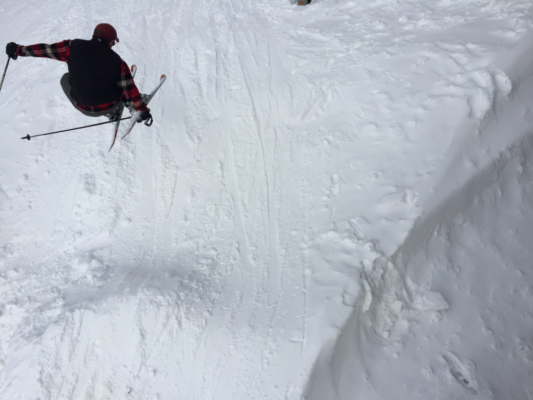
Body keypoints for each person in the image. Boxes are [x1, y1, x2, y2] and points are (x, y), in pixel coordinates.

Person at [5, 23, 151, 122]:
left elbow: (44, 50)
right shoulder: (117, 62)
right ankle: (124, 107)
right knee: (120, 83)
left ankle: (112, 111)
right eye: (113, 42)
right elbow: (130, 89)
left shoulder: (71, 47)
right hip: (109, 104)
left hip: (82, 106)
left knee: (65, 78)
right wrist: (141, 110)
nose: (113, 45)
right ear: (109, 41)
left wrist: (18, 49)